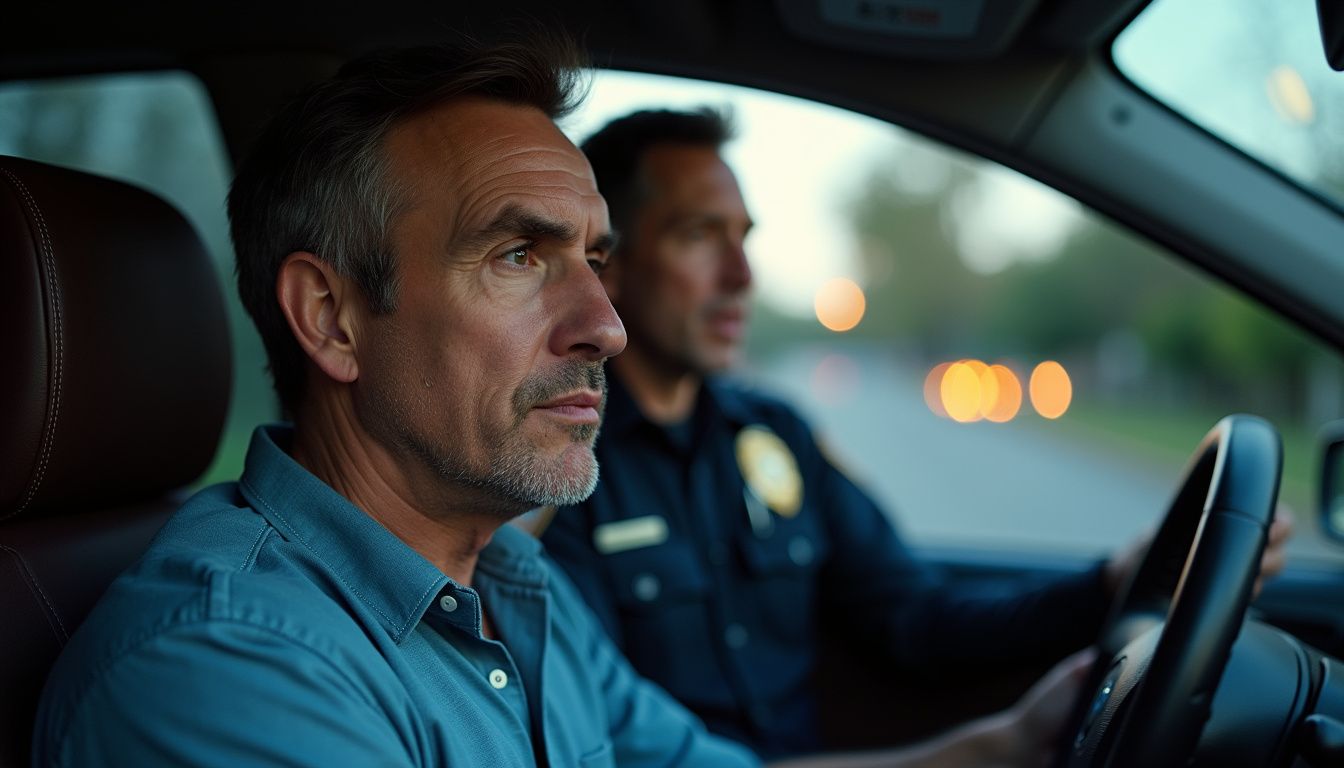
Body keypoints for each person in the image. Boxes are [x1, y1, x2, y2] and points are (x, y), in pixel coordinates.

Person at [32, 36, 1094, 768]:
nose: (606, 324)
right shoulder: (226, 668)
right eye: (516, 255)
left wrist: (1007, 746)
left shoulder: (517, 585)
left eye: (595, 257)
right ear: (333, 318)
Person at [538, 107, 1293, 759]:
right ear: (610, 261)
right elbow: (615, 743)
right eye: (700, 235)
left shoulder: (776, 438)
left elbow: (918, 622)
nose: (741, 275)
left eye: (745, 237)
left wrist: (1110, 584)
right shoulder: (559, 471)